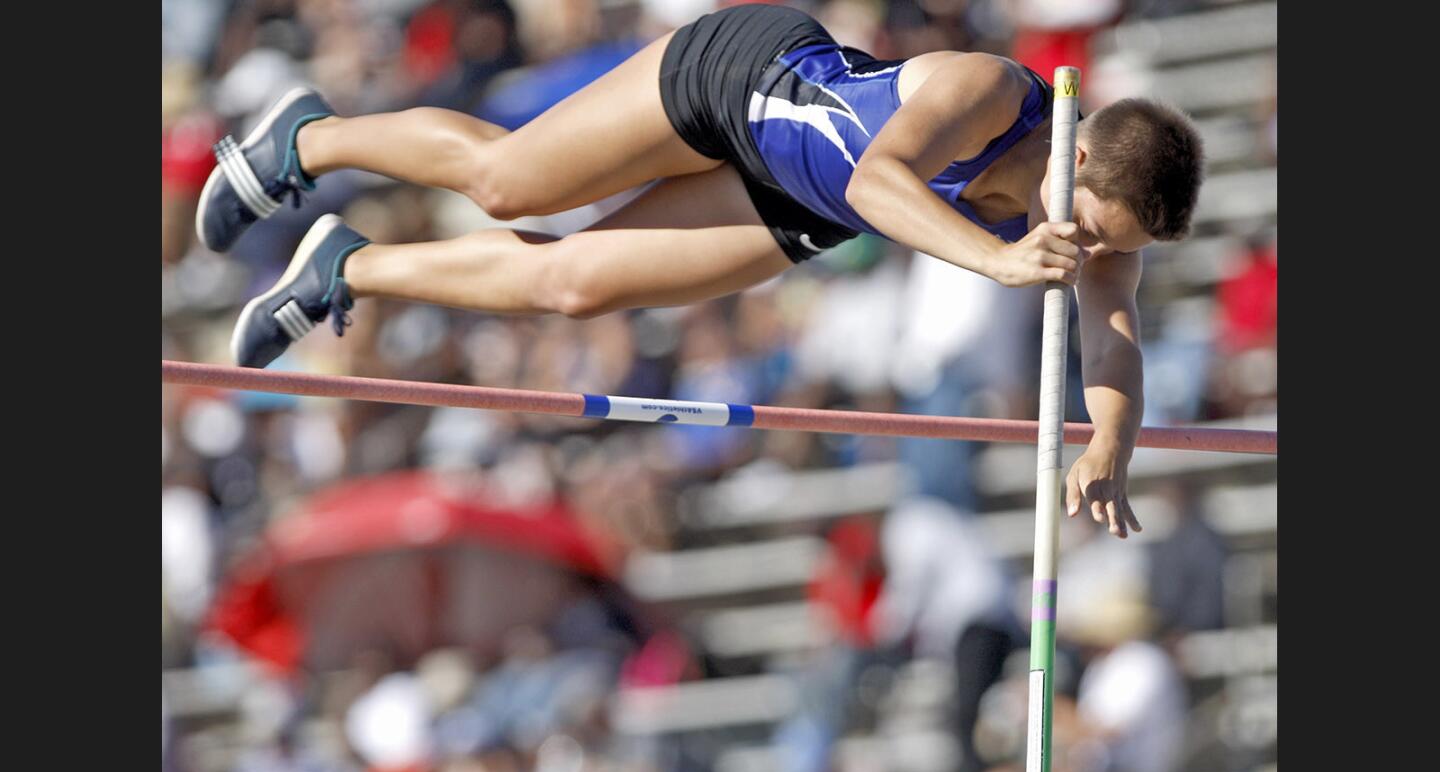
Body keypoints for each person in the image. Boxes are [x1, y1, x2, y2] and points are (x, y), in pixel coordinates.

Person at [198, 3, 1204, 537]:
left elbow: (1111, 340)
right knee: (509, 183)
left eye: (1116, 247)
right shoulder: (992, 93)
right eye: (1097, 227)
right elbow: (879, 181)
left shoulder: (1092, 240)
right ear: (1075, 153)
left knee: (574, 285)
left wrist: (1107, 448)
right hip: (745, 81)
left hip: (789, 200)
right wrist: (996, 256)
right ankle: (312, 138)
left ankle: (353, 268)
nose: (1097, 254)